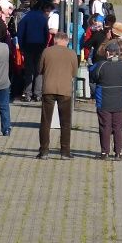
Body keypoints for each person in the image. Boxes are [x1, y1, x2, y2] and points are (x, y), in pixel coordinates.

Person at [37, 31, 79, 159]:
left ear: (55, 40)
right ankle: (65, 152)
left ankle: (44, 151)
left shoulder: (46, 51)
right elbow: (74, 73)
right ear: (66, 41)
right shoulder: (72, 53)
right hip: (65, 90)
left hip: (48, 89)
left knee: (45, 121)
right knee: (65, 123)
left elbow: (40, 69)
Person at [91, 40, 122, 159]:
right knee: (118, 127)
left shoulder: (101, 65)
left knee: (105, 126)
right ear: (118, 53)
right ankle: (118, 153)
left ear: (108, 53)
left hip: (103, 101)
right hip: (120, 102)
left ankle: (105, 152)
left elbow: (94, 77)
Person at [16, 0, 50, 102]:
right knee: (39, 70)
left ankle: (27, 93)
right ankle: (38, 93)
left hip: (28, 45)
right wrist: (44, 45)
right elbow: (46, 34)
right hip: (40, 46)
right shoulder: (43, 18)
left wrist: (21, 47)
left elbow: (20, 34)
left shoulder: (25, 18)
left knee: (28, 70)